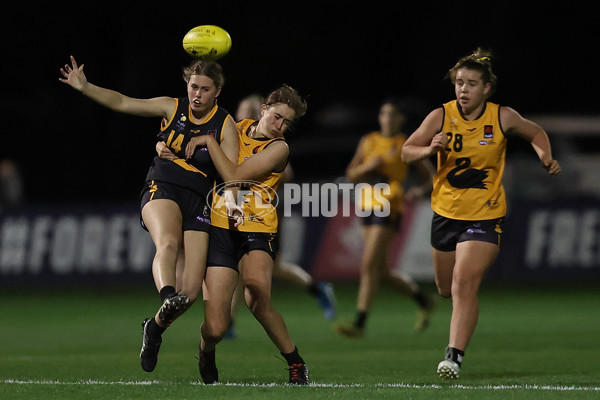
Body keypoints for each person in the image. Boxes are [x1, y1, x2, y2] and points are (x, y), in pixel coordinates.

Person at [59, 55, 239, 373]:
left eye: (204, 89)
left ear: (218, 91)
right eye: (193, 86)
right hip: (163, 186)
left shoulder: (225, 124)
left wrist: (234, 199)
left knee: (192, 293)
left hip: (199, 201)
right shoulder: (172, 107)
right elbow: (124, 102)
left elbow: (232, 174)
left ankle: (154, 328)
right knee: (167, 243)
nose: (197, 94)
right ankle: (166, 296)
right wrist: (86, 88)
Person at [401, 48, 561, 379]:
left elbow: (535, 132)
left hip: (485, 215)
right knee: (446, 289)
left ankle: (453, 357)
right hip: (445, 213)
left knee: (463, 282)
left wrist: (544, 155)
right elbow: (406, 152)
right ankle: (458, 329)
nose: (463, 90)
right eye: (459, 83)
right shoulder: (440, 116)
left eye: (471, 84)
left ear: (486, 88)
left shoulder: (502, 116)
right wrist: (429, 149)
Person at [184, 85, 309, 385]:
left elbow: (236, 175)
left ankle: (295, 362)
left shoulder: (279, 148)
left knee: (256, 296)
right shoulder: (234, 128)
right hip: (221, 226)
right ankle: (206, 350)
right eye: (277, 117)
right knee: (215, 328)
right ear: (264, 109)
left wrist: (208, 143)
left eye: (286, 123)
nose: (280, 126)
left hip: (258, 227)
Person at [226, 94, 336, 338]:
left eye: (249, 109)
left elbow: (286, 173)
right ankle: (229, 323)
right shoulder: (236, 133)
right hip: (234, 207)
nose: (243, 114)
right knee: (240, 267)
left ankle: (316, 289)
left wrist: (255, 170)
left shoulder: (273, 144)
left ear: (260, 111)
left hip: (263, 211)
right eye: (242, 108)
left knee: (266, 267)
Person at [335, 97, 436, 339]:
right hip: (367, 206)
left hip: (390, 207)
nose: (387, 118)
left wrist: (418, 192)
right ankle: (423, 300)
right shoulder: (369, 141)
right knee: (382, 272)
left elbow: (431, 176)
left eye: (392, 114)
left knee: (368, 265)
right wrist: (369, 165)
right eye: (384, 114)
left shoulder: (405, 144)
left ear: (401, 119)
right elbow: (351, 174)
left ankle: (359, 323)